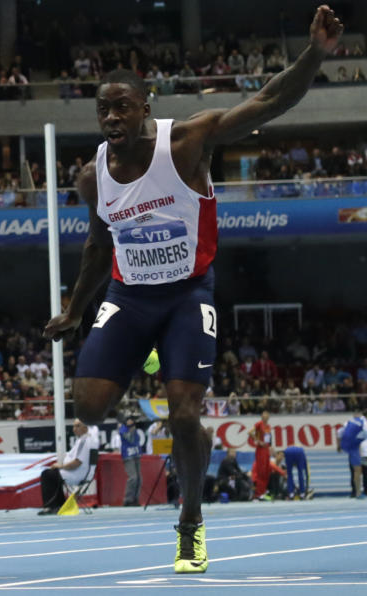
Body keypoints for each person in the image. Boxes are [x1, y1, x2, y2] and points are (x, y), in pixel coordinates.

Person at [42, 6, 343, 574]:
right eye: (103, 108)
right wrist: (71, 310)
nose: (111, 117)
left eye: (122, 106)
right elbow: (96, 246)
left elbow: (269, 103)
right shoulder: (93, 175)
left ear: (145, 107)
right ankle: (151, 352)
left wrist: (315, 54)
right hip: (129, 296)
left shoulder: (185, 142)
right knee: (88, 405)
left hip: (187, 294)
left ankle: (190, 524)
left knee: (183, 414)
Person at [38, 419, 91, 515]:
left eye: (78, 426)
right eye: (74, 426)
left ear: (85, 427)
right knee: (52, 474)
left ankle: (51, 506)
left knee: (47, 474)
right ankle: (59, 505)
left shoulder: (84, 442)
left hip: (75, 474)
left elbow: (76, 463)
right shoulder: (82, 440)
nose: (74, 429)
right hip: (75, 473)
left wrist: (61, 466)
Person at [338, 410, 367, 498]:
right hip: (361, 450)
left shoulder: (350, 421)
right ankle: (359, 493)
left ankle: (355, 492)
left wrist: (339, 445)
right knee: (359, 472)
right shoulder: (364, 423)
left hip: (354, 449)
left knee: (355, 471)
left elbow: (339, 432)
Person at [119, 416, 143, 506]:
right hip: (128, 455)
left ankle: (135, 499)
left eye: (132, 421)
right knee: (133, 478)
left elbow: (138, 440)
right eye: (129, 421)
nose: (131, 422)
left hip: (136, 454)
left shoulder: (134, 429)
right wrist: (132, 429)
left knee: (139, 479)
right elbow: (131, 439)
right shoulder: (122, 429)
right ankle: (128, 499)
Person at [251, 410, 273, 500]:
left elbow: (269, 439)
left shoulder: (268, 426)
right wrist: (258, 441)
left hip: (266, 449)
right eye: (264, 415)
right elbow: (250, 432)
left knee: (266, 471)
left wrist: (270, 447)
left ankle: (263, 491)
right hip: (260, 450)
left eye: (267, 415)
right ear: (262, 416)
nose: (266, 417)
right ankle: (258, 493)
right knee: (260, 471)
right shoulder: (259, 424)